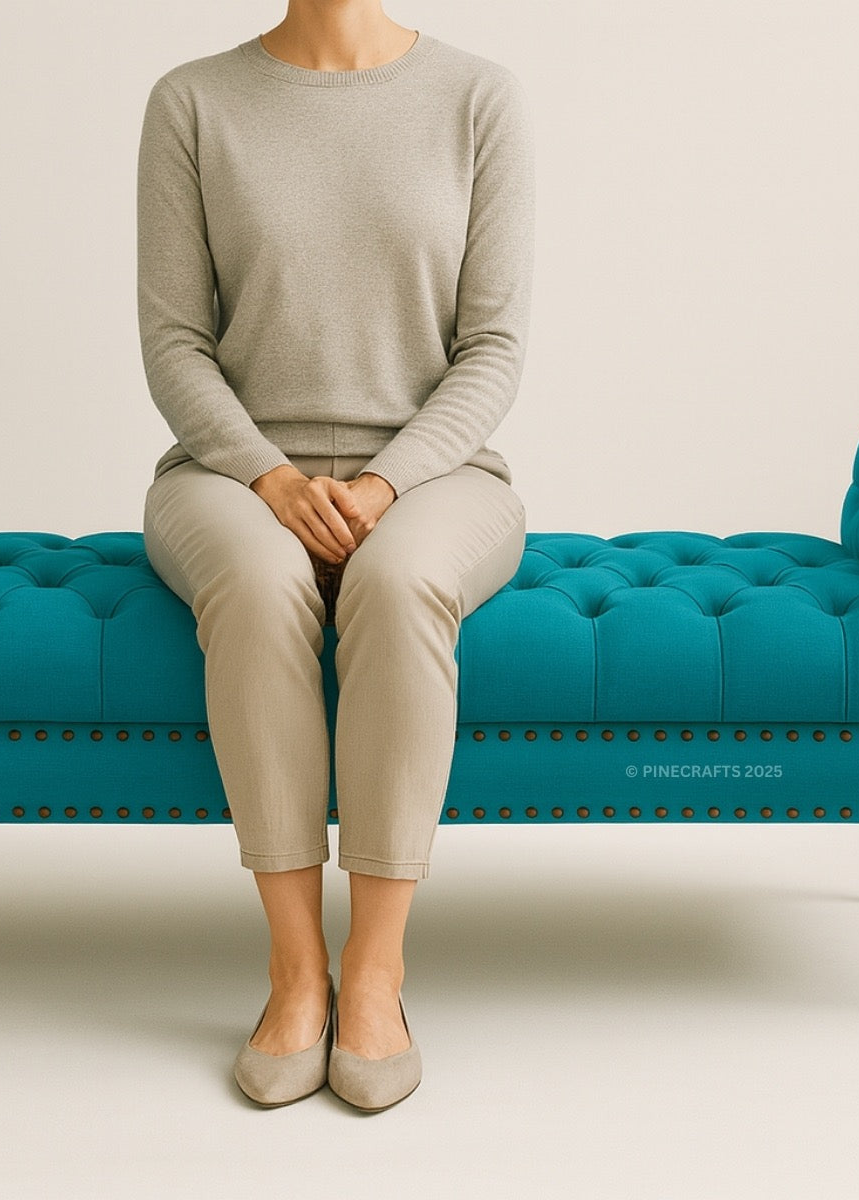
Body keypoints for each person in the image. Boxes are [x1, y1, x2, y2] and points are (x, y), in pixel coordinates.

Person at [138, 0, 534, 1111]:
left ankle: (376, 969)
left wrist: (381, 483)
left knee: (400, 577)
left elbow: (493, 348)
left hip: (438, 475)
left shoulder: (476, 97)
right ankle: (293, 969)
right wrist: (269, 477)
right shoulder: (195, 101)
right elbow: (173, 341)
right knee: (262, 584)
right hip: (228, 474)